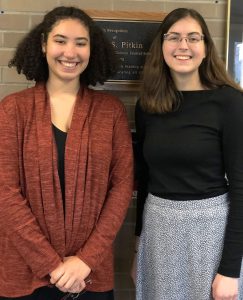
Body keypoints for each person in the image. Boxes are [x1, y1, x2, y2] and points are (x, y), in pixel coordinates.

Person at [0, 6, 133, 300]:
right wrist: (51, 264)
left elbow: (122, 187)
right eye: (60, 40)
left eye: (80, 43)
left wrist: (86, 260)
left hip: (90, 274)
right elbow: (5, 192)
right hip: (26, 275)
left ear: (91, 50)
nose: (70, 52)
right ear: (43, 44)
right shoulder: (12, 110)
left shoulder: (110, 112)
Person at [131, 7, 243, 300]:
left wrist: (231, 270)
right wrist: (138, 245)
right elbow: (144, 179)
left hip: (210, 233)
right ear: (162, 46)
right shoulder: (148, 105)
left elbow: (242, 189)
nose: (183, 46)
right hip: (158, 231)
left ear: (206, 48)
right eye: (174, 37)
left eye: (194, 38)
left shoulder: (229, 102)